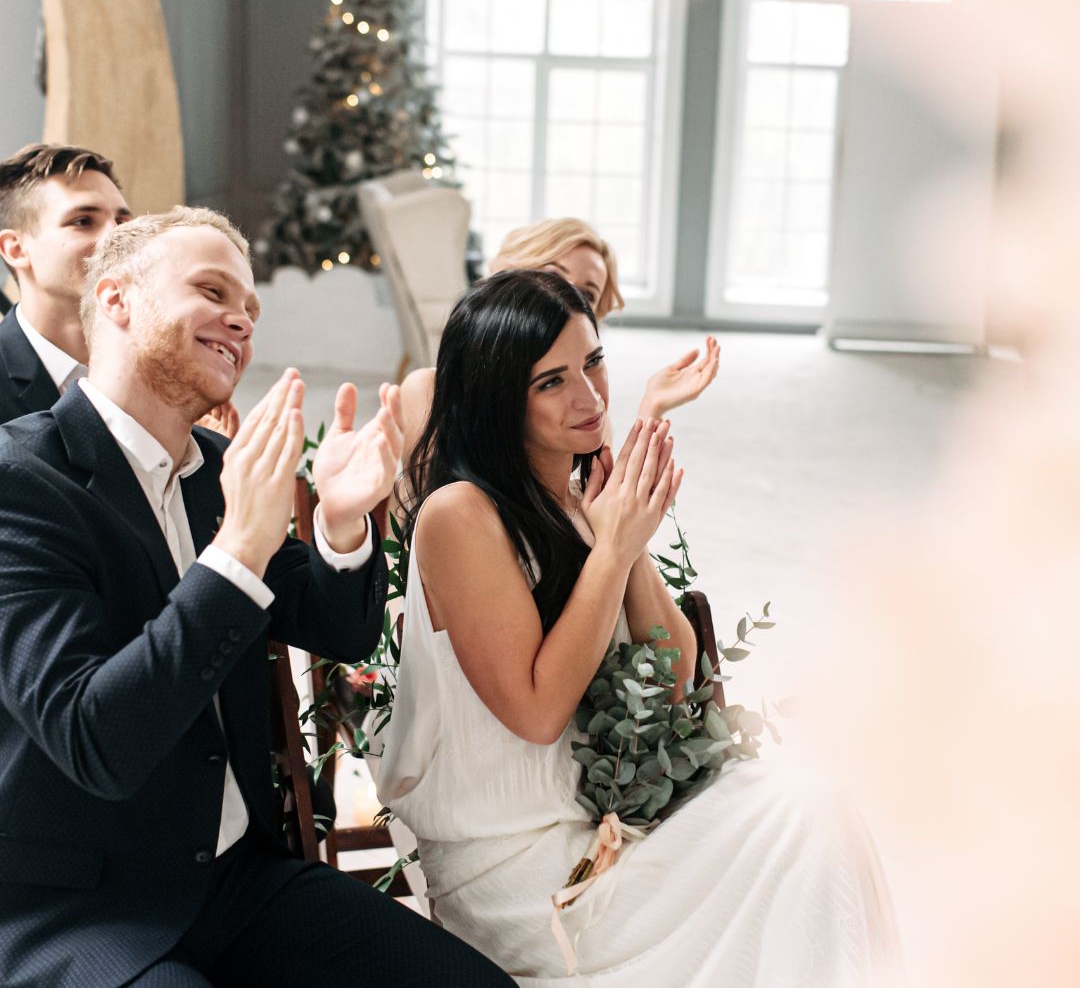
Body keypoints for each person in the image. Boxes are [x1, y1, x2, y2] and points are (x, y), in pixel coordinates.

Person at [0, 207, 510, 987]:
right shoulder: (21, 481)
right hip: (84, 911)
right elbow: (95, 739)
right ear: (115, 299)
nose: (240, 320)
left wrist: (341, 525)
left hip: (240, 880)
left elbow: (340, 630)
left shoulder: (219, 466)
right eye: (212, 291)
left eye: (250, 309)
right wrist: (237, 550)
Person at [377, 270, 899, 985]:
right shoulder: (459, 515)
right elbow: (534, 714)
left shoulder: (575, 493)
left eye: (593, 363)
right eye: (551, 382)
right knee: (803, 832)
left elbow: (678, 680)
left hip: (608, 824)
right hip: (515, 864)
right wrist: (612, 549)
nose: (589, 397)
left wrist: (624, 538)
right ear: (499, 395)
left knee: (815, 810)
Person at [398, 217, 721, 468]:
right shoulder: (426, 390)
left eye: (586, 293)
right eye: (552, 274)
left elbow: (613, 518)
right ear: (510, 271)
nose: (564, 296)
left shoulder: (588, 412)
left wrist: (652, 405)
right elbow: (417, 526)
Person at [0, 143, 239, 436]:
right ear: (16, 249)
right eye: (83, 221)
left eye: (123, 221)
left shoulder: (171, 372)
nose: (115, 236)